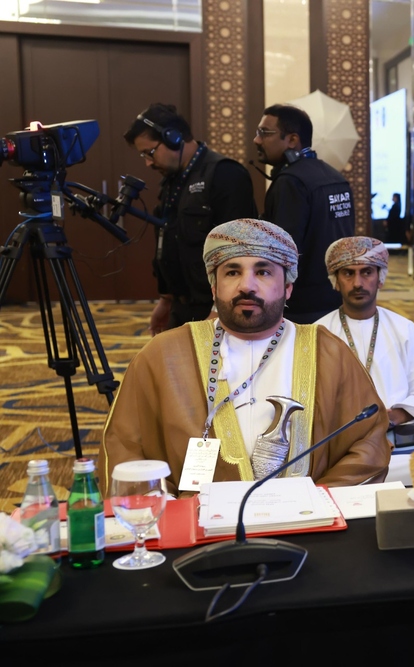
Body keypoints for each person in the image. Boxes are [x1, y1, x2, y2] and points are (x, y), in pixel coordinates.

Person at [99, 218, 391, 496]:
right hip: (197, 523)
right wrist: (171, 512)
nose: (247, 286)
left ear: (288, 287)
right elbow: (125, 448)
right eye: (232, 272)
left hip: (307, 520)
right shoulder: (162, 356)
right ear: (214, 286)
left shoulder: (329, 352)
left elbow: (368, 442)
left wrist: (317, 499)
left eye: (263, 272)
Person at [125, 103, 257, 335]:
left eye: (150, 153)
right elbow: (169, 241)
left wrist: (218, 310)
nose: (148, 162)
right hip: (181, 306)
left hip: (217, 309)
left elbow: (241, 250)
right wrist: (166, 300)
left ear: (174, 138)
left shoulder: (225, 174)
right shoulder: (172, 181)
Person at [314, 236, 414, 452]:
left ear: (380, 278)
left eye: (367, 272)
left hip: (399, 445)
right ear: (336, 281)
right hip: (339, 445)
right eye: (348, 273)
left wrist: (392, 417)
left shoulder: (404, 330)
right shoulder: (318, 333)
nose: (357, 283)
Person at [254, 104, 355, 323]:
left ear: (292, 140)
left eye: (265, 133)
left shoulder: (291, 182)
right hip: (337, 299)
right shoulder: (336, 177)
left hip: (299, 308)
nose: (257, 140)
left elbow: (282, 252)